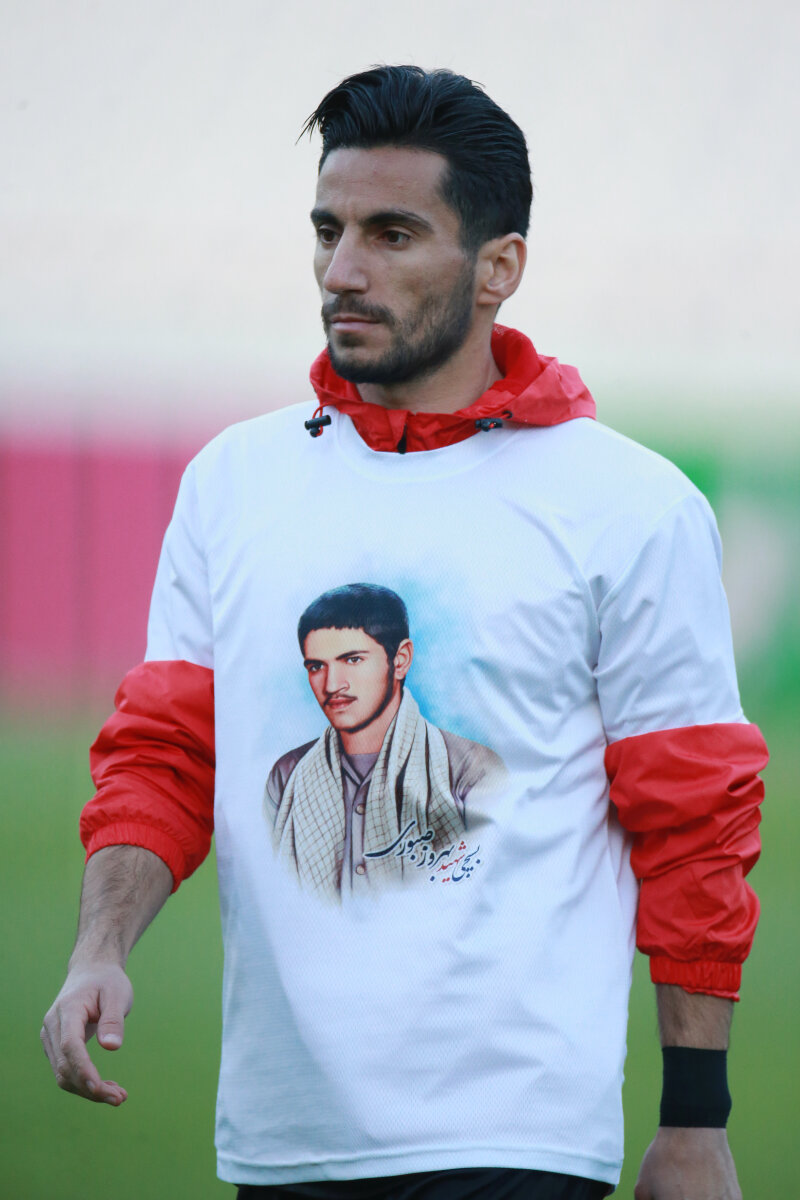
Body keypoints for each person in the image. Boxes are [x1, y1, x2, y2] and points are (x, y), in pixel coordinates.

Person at [41, 65, 767, 1200]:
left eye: (391, 235)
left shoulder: (630, 506)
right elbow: (165, 755)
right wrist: (100, 950)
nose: (342, 270)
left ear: (499, 268)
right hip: (281, 1138)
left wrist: (694, 1121)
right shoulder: (233, 482)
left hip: (515, 1139)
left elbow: (694, 825)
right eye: (327, 231)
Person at [266, 582, 508, 899]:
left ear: (400, 659)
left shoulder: (471, 771)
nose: (332, 685)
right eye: (316, 666)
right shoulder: (287, 777)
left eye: (352, 660)